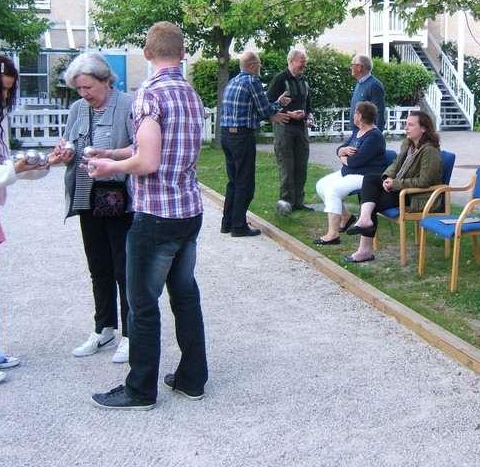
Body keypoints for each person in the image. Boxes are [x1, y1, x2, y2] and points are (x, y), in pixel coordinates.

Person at [87, 22, 207, 410]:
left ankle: (140, 390)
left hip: (155, 215)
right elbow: (152, 148)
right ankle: (192, 379)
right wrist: (113, 153)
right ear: (183, 53)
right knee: (185, 296)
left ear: (147, 53)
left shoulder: (149, 94)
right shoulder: (190, 94)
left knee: (142, 304)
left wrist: (110, 168)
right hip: (188, 210)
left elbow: (149, 160)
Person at [48, 52, 134, 364]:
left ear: (105, 80)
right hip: (86, 196)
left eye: (88, 87)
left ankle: (131, 335)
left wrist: (111, 156)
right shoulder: (77, 109)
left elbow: (140, 149)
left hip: (118, 197)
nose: (84, 94)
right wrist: (65, 155)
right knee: (98, 266)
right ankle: (104, 328)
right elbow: (69, 146)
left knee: (124, 269)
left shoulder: (127, 105)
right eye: (79, 88)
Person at [0, 54, 45, 385]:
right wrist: (12, 169)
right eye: (1, 89)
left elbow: (3, 167)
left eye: (9, 90)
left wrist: (39, 166)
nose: (5, 96)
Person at [344, 110, 442, 263]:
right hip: (402, 189)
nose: (406, 127)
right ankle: (364, 220)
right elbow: (396, 164)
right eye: (406, 124)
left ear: (423, 128)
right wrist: (387, 177)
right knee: (369, 179)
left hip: (416, 196)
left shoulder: (429, 151)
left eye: (411, 125)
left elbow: (425, 181)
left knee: (372, 201)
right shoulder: (409, 144)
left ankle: (364, 250)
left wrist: (395, 184)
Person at [219, 51, 292, 237]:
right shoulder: (252, 81)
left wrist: (273, 108)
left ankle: (227, 223)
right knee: (245, 183)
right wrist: (279, 104)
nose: (260, 67)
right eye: (259, 63)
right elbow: (264, 110)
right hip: (242, 137)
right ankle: (238, 226)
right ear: (252, 66)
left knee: (233, 181)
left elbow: (251, 111)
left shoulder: (233, 81)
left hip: (226, 135)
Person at [314, 101, 386, 245]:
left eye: (355, 113)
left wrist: (342, 157)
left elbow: (355, 162)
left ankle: (332, 235)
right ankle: (346, 216)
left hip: (365, 176)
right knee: (321, 185)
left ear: (360, 116)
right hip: (350, 171)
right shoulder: (357, 131)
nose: (353, 115)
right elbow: (340, 149)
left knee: (333, 190)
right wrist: (343, 151)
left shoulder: (374, 136)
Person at [266, 49, 313, 212]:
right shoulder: (280, 79)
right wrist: (289, 113)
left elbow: (308, 102)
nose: (304, 65)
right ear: (291, 62)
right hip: (284, 128)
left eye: (305, 62)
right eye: (302, 62)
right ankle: (286, 203)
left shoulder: (304, 80)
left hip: (301, 129)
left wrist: (309, 115)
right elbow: (268, 104)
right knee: (287, 166)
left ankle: (299, 202)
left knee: (301, 166)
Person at [349, 54, 386, 132]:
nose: (351, 67)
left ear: (359, 67)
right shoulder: (359, 83)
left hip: (367, 134)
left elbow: (380, 111)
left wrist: (376, 134)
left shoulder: (374, 85)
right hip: (358, 132)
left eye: (352, 65)